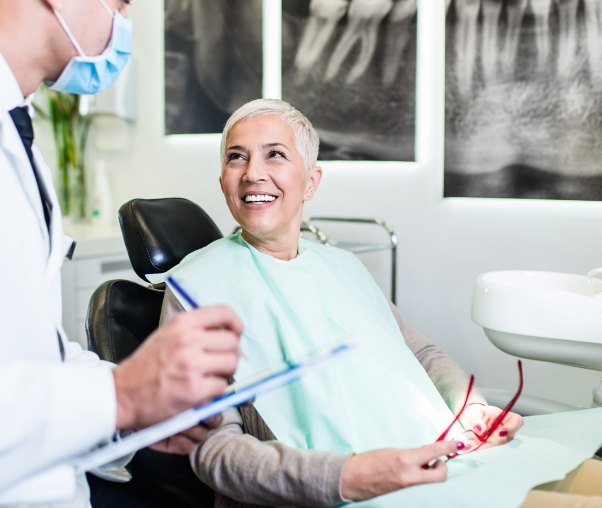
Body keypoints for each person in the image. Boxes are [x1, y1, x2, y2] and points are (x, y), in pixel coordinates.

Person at [156, 98, 526, 507]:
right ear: (223, 179)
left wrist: (470, 408)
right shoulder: (196, 287)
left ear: (311, 182)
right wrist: (344, 478)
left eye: (275, 155)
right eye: (235, 158)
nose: (253, 174)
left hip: (426, 471)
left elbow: (419, 352)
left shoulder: (344, 266)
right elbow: (216, 451)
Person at [0, 1, 242, 506]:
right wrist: (120, 397)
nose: (123, 24)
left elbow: (36, 353)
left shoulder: (17, 134)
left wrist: (139, 412)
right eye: (120, 4)